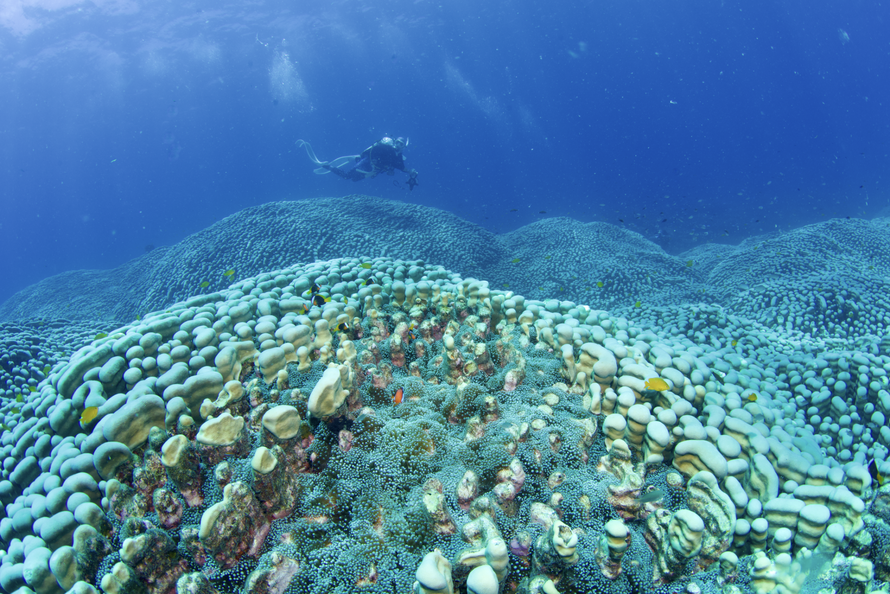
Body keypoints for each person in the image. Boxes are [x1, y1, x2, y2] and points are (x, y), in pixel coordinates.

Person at [297, 137, 419, 190]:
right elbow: (375, 151)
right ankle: (325, 165)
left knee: (354, 180)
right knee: (346, 176)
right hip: (367, 163)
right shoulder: (387, 148)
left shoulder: (399, 159)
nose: (398, 145)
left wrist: (411, 171)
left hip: (372, 170)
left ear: (404, 147)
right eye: (397, 142)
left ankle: (356, 159)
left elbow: (402, 168)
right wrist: (374, 162)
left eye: (401, 144)